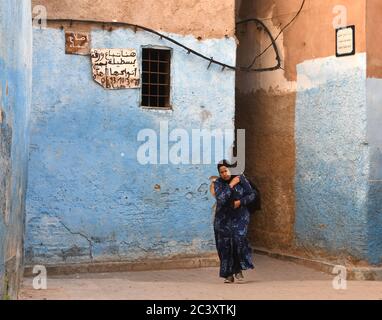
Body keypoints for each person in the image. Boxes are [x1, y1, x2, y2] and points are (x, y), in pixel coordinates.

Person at [213, 160, 256, 283]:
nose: (224, 174)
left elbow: (252, 195)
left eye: (226, 170)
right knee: (224, 245)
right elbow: (221, 199)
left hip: (240, 217)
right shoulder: (218, 183)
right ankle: (228, 274)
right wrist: (231, 184)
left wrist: (240, 202)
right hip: (223, 219)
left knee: (238, 240)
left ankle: (238, 270)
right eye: (221, 172)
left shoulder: (241, 179)